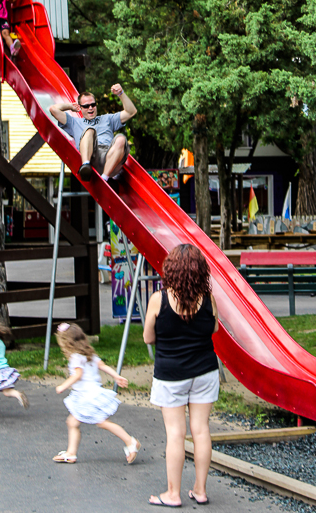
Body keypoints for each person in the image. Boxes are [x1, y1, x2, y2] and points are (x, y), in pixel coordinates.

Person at [143, 244, 219, 507]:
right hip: (205, 371)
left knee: (175, 433)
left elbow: (148, 337)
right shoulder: (208, 298)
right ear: (200, 272)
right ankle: (200, 490)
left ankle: (172, 494)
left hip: (171, 374)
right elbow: (214, 328)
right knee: (201, 430)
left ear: (171, 269)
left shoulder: (158, 299)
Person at [53, 322, 140, 464]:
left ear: (66, 343)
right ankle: (71, 453)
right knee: (73, 422)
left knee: (102, 422)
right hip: (91, 394)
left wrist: (63, 386)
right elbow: (103, 366)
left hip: (88, 396)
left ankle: (130, 441)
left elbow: (77, 375)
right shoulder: (89, 354)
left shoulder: (75, 357)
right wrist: (116, 376)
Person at [48, 85, 136, 182]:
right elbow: (53, 109)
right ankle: (86, 167)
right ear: (80, 107)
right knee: (89, 130)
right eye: (86, 106)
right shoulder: (74, 123)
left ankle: (104, 178)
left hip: (110, 158)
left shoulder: (107, 119)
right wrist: (70, 106)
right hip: (91, 158)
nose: (91, 108)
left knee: (121, 138)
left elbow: (131, 112)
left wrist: (121, 93)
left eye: (93, 105)